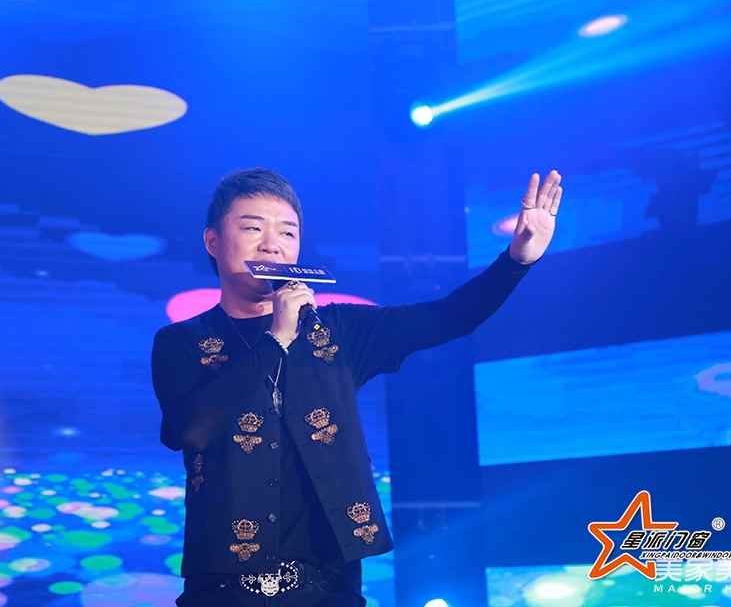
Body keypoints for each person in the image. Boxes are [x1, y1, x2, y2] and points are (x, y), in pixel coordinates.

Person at [151, 167, 563, 605]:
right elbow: (189, 429)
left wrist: (516, 261)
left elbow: (447, 317)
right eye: (253, 228)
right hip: (221, 587)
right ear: (212, 241)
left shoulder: (338, 331)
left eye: (287, 232)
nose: (272, 244)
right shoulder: (181, 342)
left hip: (328, 586)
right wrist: (277, 340)